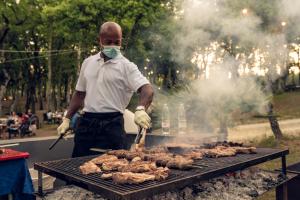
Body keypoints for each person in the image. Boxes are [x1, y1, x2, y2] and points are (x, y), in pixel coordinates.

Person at [57, 22, 154, 157]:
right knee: (78, 165)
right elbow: (79, 94)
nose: (113, 46)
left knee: (113, 168)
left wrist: (141, 108)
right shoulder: (88, 63)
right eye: (109, 42)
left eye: (117, 42)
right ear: (100, 40)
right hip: (86, 124)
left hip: (113, 125)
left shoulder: (127, 66)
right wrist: (67, 119)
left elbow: (147, 88)